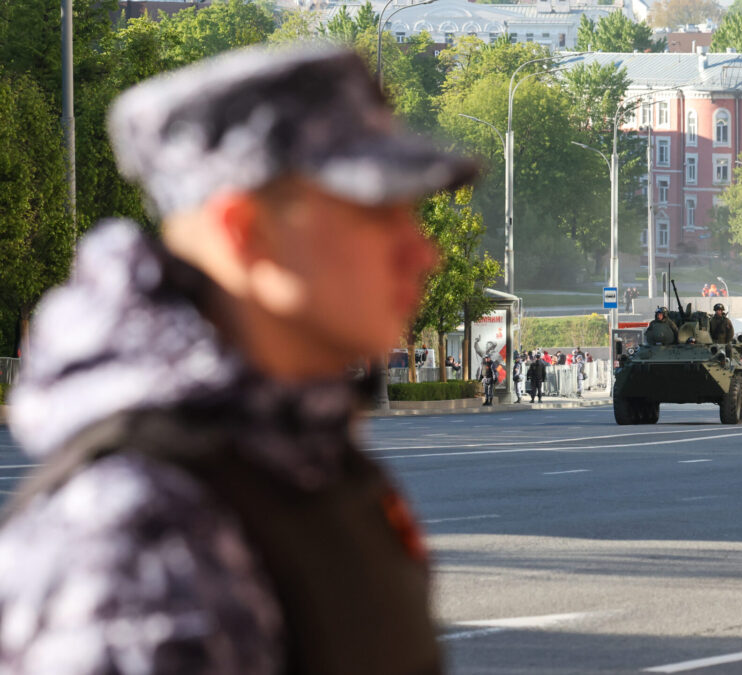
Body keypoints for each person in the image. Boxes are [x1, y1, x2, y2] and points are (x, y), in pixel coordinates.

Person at [0, 46, 477, 674]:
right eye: (378, 212)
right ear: (244, 229)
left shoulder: (288, 449)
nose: (422, 253)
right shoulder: (143, 530)